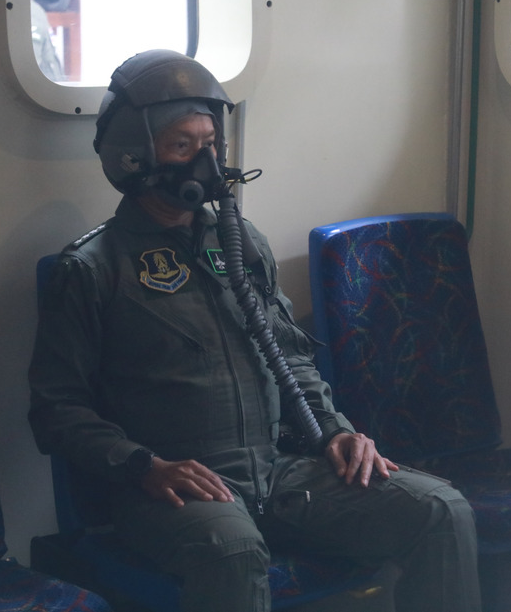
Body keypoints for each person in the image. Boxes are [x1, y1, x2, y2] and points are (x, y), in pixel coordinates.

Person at [28, 49, 481, 612]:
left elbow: (290, 357)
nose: (205, 162)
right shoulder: (92, 268)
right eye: (182, 146)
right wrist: (141, 466)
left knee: (440, 510)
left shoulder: (240, 242)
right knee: (232, 550)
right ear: (133, 156)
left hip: (278, 471)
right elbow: (57, 410)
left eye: (210, 144)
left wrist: (333, 431)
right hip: (174, 487)